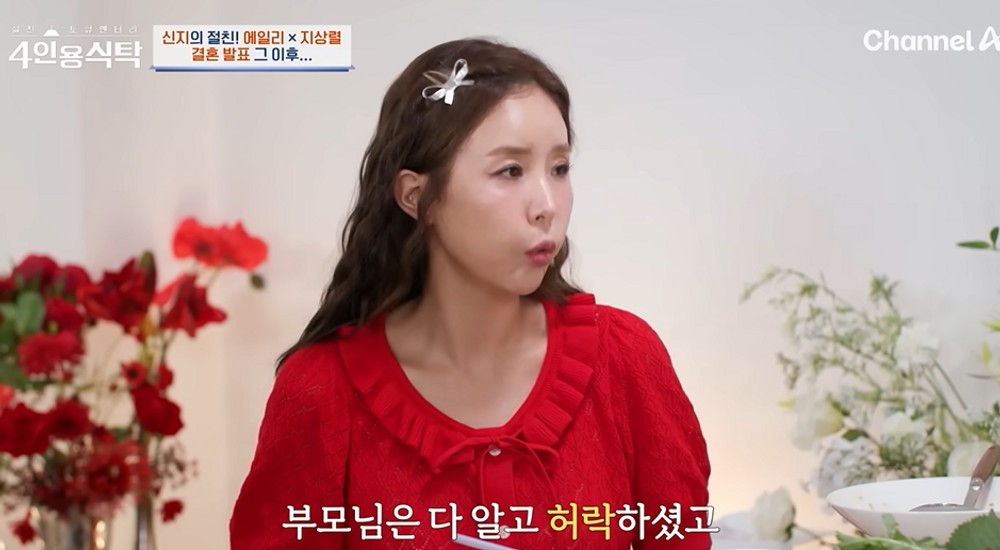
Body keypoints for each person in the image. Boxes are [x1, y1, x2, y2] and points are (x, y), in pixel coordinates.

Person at [229, 37, 712, 549]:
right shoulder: (321, 392)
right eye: (510, 171)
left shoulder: (626, 359)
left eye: (559, 168)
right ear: (418, 197)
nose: (547, 205)